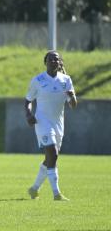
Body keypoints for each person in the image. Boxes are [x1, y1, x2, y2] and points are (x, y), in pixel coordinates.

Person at [25, 50, 77, 201]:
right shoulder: (38, 80)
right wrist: (29, 114)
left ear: (60, 63)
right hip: (42, 122)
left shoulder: (66, 80)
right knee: (53, 153)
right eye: (50, 59)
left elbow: (73, 105)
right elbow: (28, 101)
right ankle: (56, 193)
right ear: (45, 62)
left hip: (58, 124)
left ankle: (34, 189)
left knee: (50, 158)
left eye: (56, 59)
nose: (53, 61)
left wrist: (72, 95)